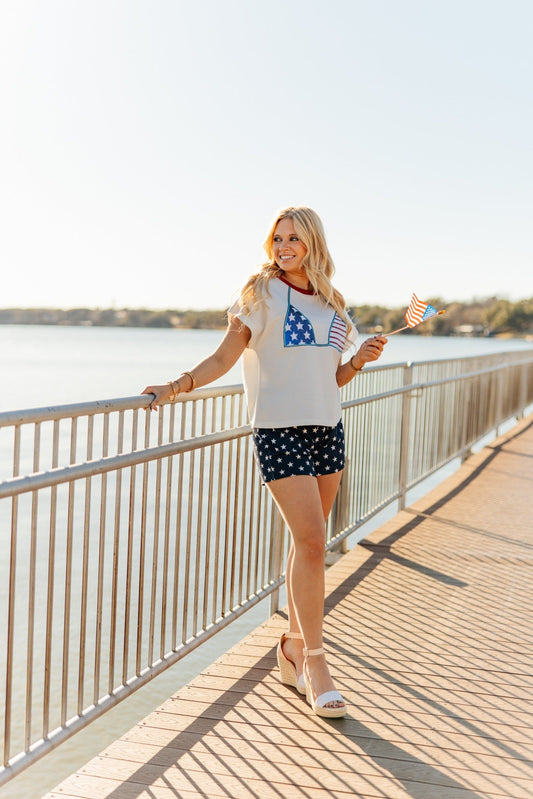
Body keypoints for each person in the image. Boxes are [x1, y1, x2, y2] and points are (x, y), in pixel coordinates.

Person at [142, 206, 387, 717]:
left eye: (294, 238)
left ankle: (294, 647)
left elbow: (330, 377)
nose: (284, 246)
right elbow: (224, 357)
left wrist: (358, 362)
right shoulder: (259, 293)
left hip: (328, 430)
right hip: (278, 429)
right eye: (278, 238)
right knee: (314, 540)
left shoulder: (333, 303)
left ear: (313, 243)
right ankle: (317, 664)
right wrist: (175, 386)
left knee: (310, 546)